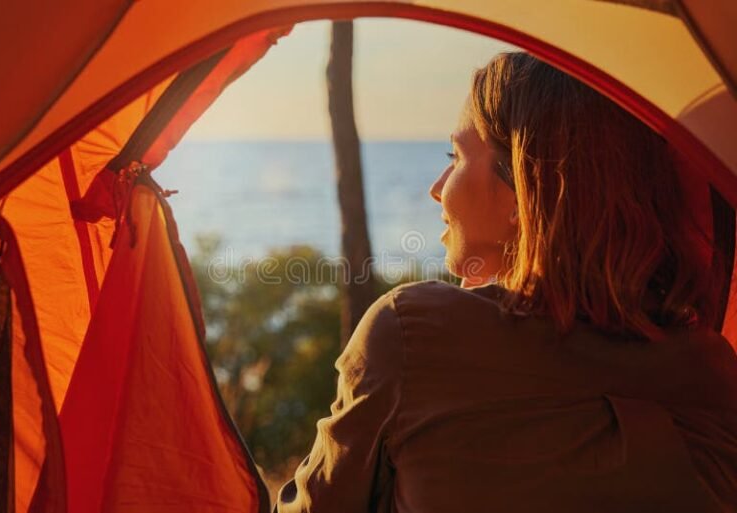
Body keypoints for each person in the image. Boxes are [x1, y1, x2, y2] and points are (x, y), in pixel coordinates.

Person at [274, 52, 737, 512]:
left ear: (523, 188)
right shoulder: (710, 371)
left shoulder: (414, 335)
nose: (437, 186)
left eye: (453, 156)